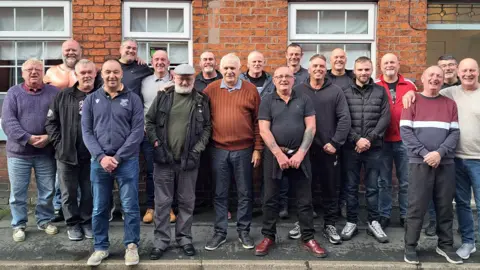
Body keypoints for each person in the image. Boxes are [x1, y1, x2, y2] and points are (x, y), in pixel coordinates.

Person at [402, 58, 480, 260]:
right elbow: (406, 132)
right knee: (417, 206)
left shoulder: (449, 102)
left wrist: (439, 153)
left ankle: (445, 245)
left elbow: (454, 133)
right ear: (423, 78)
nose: (435, 78)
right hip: (421, 162)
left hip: (448, 162)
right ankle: (410, 246)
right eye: (431, 75)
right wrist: (425, 153)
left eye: (439, 75)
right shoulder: (415, 100)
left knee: (445, 206)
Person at [255, 66, 325, 258]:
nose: (283, 79)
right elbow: (264, 130)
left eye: (287, 76)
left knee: (305, 200)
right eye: (279, 77)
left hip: (300, 155)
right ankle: (268, 237)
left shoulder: (304, 99)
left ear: (294, 79)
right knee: (270, 198)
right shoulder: (267, 100)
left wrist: (301, 153)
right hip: (274, 155)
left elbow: (311, 128)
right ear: (274, 80)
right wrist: (278, 154)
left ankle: (308, 237)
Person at [145, 64, 211, 259]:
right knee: (163, 202)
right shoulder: (163, 96)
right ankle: (161, 242)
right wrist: (156, 143)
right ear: (173, 76)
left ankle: (185, 239)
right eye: (181, 77)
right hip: (164, 158)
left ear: (193, 79)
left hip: (189, 160)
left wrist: (197, 150)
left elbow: (207, 127)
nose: (184, 81)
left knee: (187, 202)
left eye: (188, 78)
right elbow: (149, 122)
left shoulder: (201, 100)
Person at [82, 60, 144, 266]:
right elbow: (87, 132)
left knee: (130, 206)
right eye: (107, 72)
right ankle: (100, 248)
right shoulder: (91, 100)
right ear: (102, 74)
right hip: (99, 162)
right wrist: (101, 157)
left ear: (121, 74)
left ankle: (132, 246)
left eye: (115, 72)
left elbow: (137, 132)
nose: (111, 76)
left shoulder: (133, 99)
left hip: (126, 162)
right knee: (99, 207)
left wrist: (117, 158)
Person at [203, 53, 262, 251]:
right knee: (220, 193)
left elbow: (258, 123)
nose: (229, 72)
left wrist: (257, 148)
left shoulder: (251, 90)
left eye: (233, 68)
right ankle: (220, 233)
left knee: (245, 193)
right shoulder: (210, 90)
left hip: (244, 150)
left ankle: (244, 231)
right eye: (226, 68)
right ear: (220, 69)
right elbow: (202, 119)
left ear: (239, 69)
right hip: (218, 149)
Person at [291, 54, 351, 244]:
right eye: (315, 65)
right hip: (304, 150)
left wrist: (335, 142)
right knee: (303, 189)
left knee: (330, 189)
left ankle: (330, 224)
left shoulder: (336, 91)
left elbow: (345, 118)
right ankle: (303, 223)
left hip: (328, 149)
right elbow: (290, 116)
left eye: (322, 66)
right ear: (308, 69)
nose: (318, 69)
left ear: (326, 70)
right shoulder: (298, 90)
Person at [2, 58, 59, 242]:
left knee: (47, 190)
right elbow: (8, 122)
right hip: (19, 153)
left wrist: (49, 137)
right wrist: (28, 139)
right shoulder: (13, 93)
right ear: (22, 73)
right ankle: (18, 224)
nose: (33, 72)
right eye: (29, 70)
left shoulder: (54, 93)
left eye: (37, 69)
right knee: (18, 192)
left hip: (46, 152)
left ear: (43, 72)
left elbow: (61, 120)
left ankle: (44, 220)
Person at [44, 39, 101, 223]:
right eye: (82, 73)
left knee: (88, 192)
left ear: (95, 74)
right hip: (66, 153)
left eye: (89, 73)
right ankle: (72, 223)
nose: (86, 76)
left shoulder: (101, 95)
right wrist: (59, 144)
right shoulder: (64, 95)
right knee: (68, 193)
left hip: (92, 154)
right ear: (76, 74)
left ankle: (86, 222)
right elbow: (51, 122)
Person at [340, 56, 390, 243]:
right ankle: (351, 221)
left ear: (372, 70)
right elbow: (343, 118)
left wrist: (368, 139)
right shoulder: (344, 92)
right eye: (360, 70)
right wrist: (356, 139)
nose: (363, 73)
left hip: (374, 147)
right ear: (354, 71)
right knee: (351, 187)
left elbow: (385, 118)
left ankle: (373, 221)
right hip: (351, 147)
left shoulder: (380, 91)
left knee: (372, 187)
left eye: (367, 69)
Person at [108, 38, 152, 222]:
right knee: (112, 168)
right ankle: (110, 207)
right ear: (120, 49)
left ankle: (137, 208)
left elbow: (158, 73)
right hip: (117, 127)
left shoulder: (143, 68)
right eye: (128, 47)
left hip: (139, 126)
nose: (131, 51)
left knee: (136, 171)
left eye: (134, 48)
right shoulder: (111, 68)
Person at [239, 51, 283, 217]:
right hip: (246, 130)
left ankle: (266, 205)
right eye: (253, 62)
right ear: (248, 64)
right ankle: (247, 205)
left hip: (269, 130)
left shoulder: (272, 81)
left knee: (267, 171)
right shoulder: (240, 80)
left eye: (259, 61)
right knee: (245, 171)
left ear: (264, 63)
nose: (257, 64)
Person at [375, 53, 417, 229]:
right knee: (383, 181)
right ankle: (384, 215)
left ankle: (405, 215)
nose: (389, 65)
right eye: (386, 62)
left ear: (398, 65)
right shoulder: (375, 85)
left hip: (404, 140)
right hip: (382, 140)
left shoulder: (410, 85)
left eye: (393, 62)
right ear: (381, 66)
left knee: (406, 181)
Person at [425, 54, 461, 236]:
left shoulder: (466, 86)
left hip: (464, 150)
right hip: (441, 150)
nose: (447, 68)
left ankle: (461, 224)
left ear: (456, 67)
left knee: (458, 193)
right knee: (435, 190)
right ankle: (433, 222)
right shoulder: (436, 88)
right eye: (443, 66)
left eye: (450, 65)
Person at [139, 50, 174, 224]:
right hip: (149, 134)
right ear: (151, 62)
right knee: (152, 172)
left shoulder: (175, 81)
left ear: (169, 62)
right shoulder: (144, 82)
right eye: (156, 59)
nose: (160, 62)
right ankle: (151, 207)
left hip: (170, 135)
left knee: (170, 171)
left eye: (163, 59)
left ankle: (169, 207)